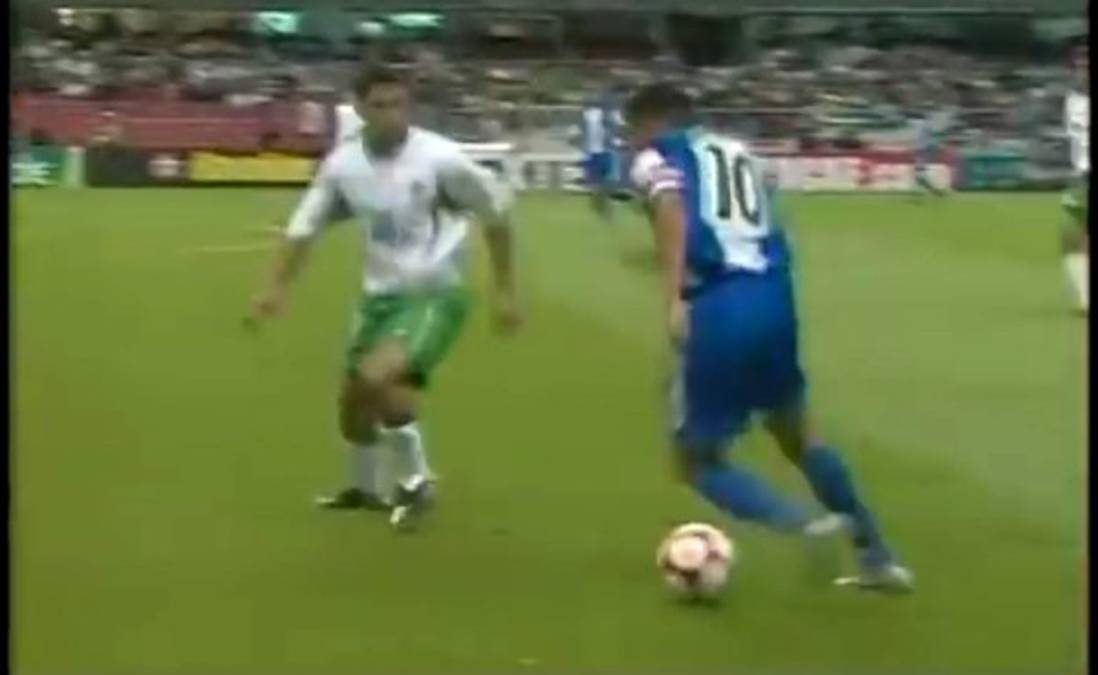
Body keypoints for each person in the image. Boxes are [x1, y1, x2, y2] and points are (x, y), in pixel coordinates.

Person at [625, 83, 913, 592]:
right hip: (774, 295)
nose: (629, 142)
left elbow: (670, 208)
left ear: (650, 122)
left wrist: (673, 298)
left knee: (696, 461)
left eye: (632, 131)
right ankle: (878, 557)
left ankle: (803, 525)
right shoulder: (739, 151)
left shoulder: (657, 156)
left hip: (719, 303)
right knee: (800, 435)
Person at [246, 64, 523, 531]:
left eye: (399, 104)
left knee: (380, 378)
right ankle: (365, 488)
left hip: (435, 293)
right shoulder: (343, 165)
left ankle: (418, 481)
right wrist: (274, 288)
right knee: (353, 404)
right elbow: (303, 228)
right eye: (380, 105)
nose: (392, 115)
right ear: (359, 108)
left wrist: (505, 291)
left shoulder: (442, 160)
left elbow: (495, 218)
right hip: (379, 298)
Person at [1061, 45, 1089, 315]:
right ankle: (1084, 296)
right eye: (1080, 65)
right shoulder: (1074, 99)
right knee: (1074, 234)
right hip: (1081, 174)